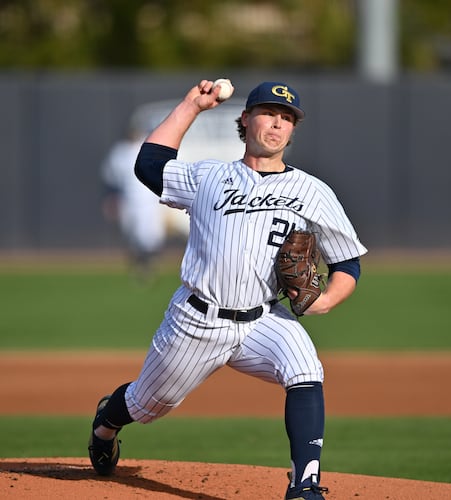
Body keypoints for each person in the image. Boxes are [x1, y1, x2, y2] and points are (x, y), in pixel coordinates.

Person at [88, 79, 368, 499]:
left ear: (293, 130)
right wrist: (190, 105)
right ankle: (104, 426)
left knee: (306, 369)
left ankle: (304, 485)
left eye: (287, 118)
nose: (277, 123)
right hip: (197, 320)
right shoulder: (209, 176)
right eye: (269, 113)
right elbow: (149, 165)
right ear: (245, 119)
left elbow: (347, 262)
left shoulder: (312, 191)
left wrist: (327, 299)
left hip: (263, 320)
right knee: (148, 405)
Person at [100, 126, 168, 279]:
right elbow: (110, 179)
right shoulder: (119, 152)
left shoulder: (148, 150)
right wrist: (111, 198)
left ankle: (148, 266)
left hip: (150, 201)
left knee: (150, 236)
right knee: (131, 235)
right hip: (128, 201)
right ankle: (139, 265)